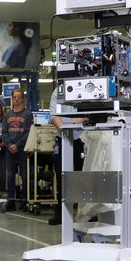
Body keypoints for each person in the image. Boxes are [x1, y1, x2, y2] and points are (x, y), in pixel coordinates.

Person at [48, 88, 87, 225]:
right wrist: (65, 129)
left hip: (82, 139)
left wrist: (75, 122)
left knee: (81, 176)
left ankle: (85, 212)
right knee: (61, 177)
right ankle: (61, 213)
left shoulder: (85, 88)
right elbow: (53, 115)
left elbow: (90, 114)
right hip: (63, 138)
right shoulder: (58, 91)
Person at [3, 89, 32, 211]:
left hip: (22, 150)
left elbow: (28, 132)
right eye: (14, 97)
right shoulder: (7, 115)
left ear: (22, 99)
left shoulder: (27, 114)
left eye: (19, 97)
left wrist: (17, 145)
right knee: (9, 176)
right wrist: (10, 145)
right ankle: (11, 201)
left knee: (25, 176)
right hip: (10, 150)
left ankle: (24, 201)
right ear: (12, 99)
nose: (16, 100)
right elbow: (4, 133)